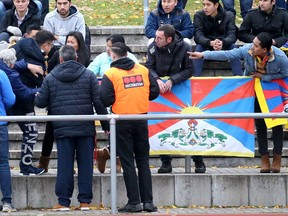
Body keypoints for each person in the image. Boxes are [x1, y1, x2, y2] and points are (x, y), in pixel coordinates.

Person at [188, 32, 288, 173]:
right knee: (260, 124)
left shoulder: (280, 58)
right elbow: (228, 54)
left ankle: (277, 158)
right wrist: (203, 55)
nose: (252, 47)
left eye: (256, 45)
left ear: (264, 49)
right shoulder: (247, 50)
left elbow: (284, 74)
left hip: (273, 89)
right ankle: (264, 159)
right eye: (253, 43)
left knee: (276, 124)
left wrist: (264, 76)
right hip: (254, 89)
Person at [35, 45, 109, 211]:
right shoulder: (88, 75)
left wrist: (38, 94)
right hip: (85, 127)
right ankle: (85, 202)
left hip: (63, 128)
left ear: (60, 59)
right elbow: (98, 102)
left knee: (64, 165)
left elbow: (40, 102)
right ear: (76, 58)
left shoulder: (51, 77)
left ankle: (63, 201)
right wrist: (105, 124)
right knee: (86, 165)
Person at [100, 42, 159, 213]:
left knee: (127, 162)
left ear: (112, 55)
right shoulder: (143, 70)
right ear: (127, 54)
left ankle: (134, 202)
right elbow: (154, 92)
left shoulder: (110, 74)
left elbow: (105, 99)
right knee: (143, 162)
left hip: (122, 120)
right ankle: (148, 202)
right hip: (141, 118)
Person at [145, 24, 206, 174]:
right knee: (161, 124)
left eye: (159, 38)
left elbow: (190, 69)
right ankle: (165, 161)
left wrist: (172, 80)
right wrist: (157, 80)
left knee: (191, 124)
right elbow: (148, 67)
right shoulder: (153, 47)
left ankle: (198, 161)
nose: (156, 40)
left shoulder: (184, 47)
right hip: (160, 92)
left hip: (181, 90)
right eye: (156, 37)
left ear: (169, 39)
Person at [37, 31, 91, 172]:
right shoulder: (57, 54)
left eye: (72, 42)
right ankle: (44, 161)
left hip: (78, 101)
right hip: (57, 98)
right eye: (67, 42)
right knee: (50, 132)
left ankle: (71, 165)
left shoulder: (84, 57)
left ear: (79, 44)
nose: (69, 44)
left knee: (74, 138)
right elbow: (50, 72)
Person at [9, 30, 55, 176]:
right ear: (46, 44)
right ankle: (26, 166)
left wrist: (24, 65)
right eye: (51, 45)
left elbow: (4, 62)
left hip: (6, 98)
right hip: (23, 101)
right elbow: (42, 86)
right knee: (31, 132)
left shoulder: (21, 44)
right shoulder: (38, 62)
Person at [193, 0, 242, 76]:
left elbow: (232, 35)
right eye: (204, 5)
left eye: (208, 5)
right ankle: (194, 78)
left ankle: (240, 79)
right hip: (206, 44)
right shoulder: (199, 15)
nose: (205, 7)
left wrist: (222, 42)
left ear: (216, 5)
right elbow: (198, 36)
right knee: (198, 49)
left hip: (224, 44)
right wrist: (210, 42)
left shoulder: (229, 15)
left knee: (234, 49)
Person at [0, 49, 16, 212]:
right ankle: (7, 201)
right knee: (3, 163)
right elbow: (11, 99)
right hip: (0, 123)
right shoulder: (1, 74)